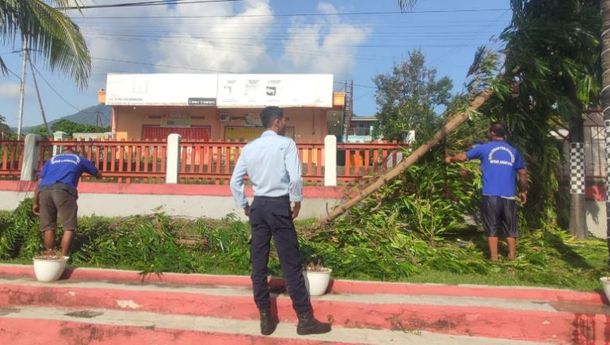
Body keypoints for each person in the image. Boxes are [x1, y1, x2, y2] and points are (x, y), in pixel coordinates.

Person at [230, 106, 331, 336]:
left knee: (258, 263)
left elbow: (235, 182)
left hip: (259, 207)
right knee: (290, 264)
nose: (285, 123)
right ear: (276, 122)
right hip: (278, 205)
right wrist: (296, 201)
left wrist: (245, 205)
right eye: (284, 120)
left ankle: (265, 318)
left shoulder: (249, 148)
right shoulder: (286, 145)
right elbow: (294, 177)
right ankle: (305, 319)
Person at [444, 122, 528, 261]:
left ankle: (494, 259)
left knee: (492, 227)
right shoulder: (513, 151)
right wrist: (523, 191)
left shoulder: (484, 148)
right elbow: (523, 173)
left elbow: (462, 157)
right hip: (509, 196)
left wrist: (449, 158)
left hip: (490, 195)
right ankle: (512, 256)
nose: (488, 134)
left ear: (493, 133)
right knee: (510, 227)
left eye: (489, 132)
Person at [33, 148, 102, 257]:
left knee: (48, 226)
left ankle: (49, 254)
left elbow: (40, 181)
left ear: (62, 154)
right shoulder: (79, 159)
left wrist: (35, 202)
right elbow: (97, 174)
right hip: (63, 190)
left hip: (44, 191)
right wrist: (99, 175)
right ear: (73, 153)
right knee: (69, 226)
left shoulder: (51, 160)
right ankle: (63, 257)